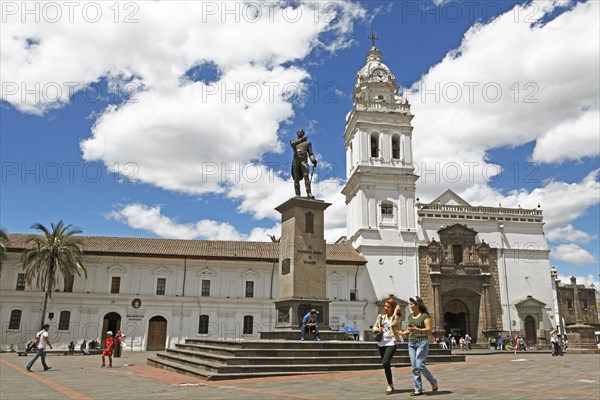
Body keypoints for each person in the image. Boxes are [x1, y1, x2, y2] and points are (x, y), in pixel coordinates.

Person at [400, 296, 438, 396]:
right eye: (409, 304)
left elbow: (428, 329)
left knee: (420, 365)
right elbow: (410, 329)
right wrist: (403, 333)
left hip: (422, 342)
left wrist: (418, 330)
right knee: (414, 367)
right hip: (411, 343)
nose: (410, 306)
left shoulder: (425, 316)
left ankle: (433, 382)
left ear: (417, 305)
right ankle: (418, 389)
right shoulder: (410, 316)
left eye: (412, 304)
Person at [373, 298, 402, 395]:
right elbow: (374, 327)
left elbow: (394, 324)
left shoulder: (396, 317)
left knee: (385, 362)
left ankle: (390, 385)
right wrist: (378, 329)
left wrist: (396, 312)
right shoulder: (380, 317)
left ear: (392, 308)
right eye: (385, 306)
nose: (385, 308)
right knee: (386, 365)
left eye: (388, 307)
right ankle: (390, 384)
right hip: (381, 343)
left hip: (391, 342)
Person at [290, 129, 317, 199]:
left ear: (304, 134)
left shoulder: (308, 143)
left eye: (302, 132)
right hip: (296, 161)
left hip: (304, 161)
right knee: (296, 179)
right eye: (299, 131)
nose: (300, 132)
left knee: (306, 177)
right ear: (297, 133)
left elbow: (310, 153)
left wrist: (313, 160)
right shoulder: (293, 141)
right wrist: (301, 140)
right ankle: (297, 194)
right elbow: (292, 144)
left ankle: (309, 193)